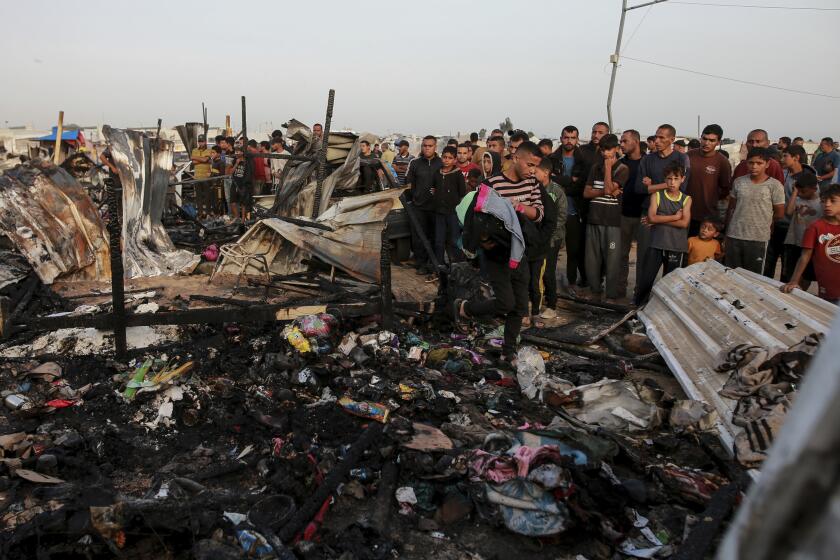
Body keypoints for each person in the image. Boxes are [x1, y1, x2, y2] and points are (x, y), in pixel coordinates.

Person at [454, 141, 544, 361]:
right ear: (515, 157)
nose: (532, 171)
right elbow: (476, 218)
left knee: (520, 306)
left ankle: (508, 351)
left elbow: (539, 213)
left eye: (535, 166)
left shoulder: (532, 183)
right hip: (497, 256)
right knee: (505, 303)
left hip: (520, 253)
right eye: (529, 164)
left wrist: (520, 208)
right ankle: (466, 308)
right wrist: (484, 241)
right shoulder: (492, 184)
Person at [634, 124, 690, 298]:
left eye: (662, 138)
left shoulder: (682, 159)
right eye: (656, 137)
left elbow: (682, 190)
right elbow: (639, 189)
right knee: (646, 259)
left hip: (673, 217)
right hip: (649, 216)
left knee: (671, 263)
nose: (657, 141)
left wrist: (653, 186)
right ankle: (640, 298)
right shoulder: (648, 160)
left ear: (672, 139)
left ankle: (666, 300)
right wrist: (661, 186)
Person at [724, 148, 786, 274]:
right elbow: (731, 208)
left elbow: (779, 213)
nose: (754, 166)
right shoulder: (739, 182)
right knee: (731, 274)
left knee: (753, 276)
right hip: (735, 235)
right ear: (746, 163)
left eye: (759, 163)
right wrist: (727, 232)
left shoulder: (775, 185)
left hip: (758, 238)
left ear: (767, 164)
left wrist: (767, 223)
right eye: (751, 163)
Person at [583, 134, 629, 302]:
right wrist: (605, 192)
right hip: (594, 218)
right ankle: (595, 291)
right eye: (602, 150)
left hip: (612, 221)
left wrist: (609, 169)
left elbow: (610, 188)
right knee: (592, 259)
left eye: (608, 149)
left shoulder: (622, 169)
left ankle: (611, 295)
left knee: (612, 260)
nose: (605, 153)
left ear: (616, 149)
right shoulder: (595, 168)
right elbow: (587, 192)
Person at [781, 184, 840, 304]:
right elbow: (805, 256)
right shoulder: (815, 228)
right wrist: (794, 281)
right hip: (829, 290)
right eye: (823, 201)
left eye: (833, 201)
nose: (827, 204)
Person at [549, 125, 588, 288]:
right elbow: (550, 181)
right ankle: (549, 284)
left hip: (574, 212)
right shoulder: (552, 159)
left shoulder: (583, 160)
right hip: (555, 212)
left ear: (577, 140)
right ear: (561, 138)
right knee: (551, 251)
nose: (569, 141)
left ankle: (571, 282)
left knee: (574, 251)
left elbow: (581, 186)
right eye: (566, 137)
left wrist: (563, 182)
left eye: (572, 138)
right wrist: (568, 181)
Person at [534, 157, 567, 316]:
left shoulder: (557, 191)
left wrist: (548, 233)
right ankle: (535, 301)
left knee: (548, 271)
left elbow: (561, 216)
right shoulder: (533, 188)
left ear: (546, 172)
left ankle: (551, 305)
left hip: (552, 238)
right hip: (537, 238)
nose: (533, 172)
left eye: (536, 170)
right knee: (536, 271)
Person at [686, 124, 732, 236]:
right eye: (704, 139)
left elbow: (725, 189)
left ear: (718, 142)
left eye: (712, 140)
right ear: (700, 138)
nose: (707, 143)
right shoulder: (688, 156)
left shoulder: (722, 162)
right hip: (684, 212)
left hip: (706, 217)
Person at [405, 136, 442, 274]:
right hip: (418, 207)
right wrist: (413, 199)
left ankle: (432, 265)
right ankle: (421, 264)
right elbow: (408, 184)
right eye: (425, 145)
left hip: (436, 208)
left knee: (434, 237)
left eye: (430, 146)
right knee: (419, 238)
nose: (427, 148)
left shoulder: (441, 163)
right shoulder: (415, 163)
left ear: (435, 147)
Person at [781, 172, 821, 286]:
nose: (801, 194)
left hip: (810, 245)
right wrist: (795, 193)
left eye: (804, 191)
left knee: (806, 274)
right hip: (794, 241)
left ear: (814, 189)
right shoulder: (798, 199)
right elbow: (788, 212)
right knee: (791, 272)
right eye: (800, 191)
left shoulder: (821, 203)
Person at [618, 130, 645, 298]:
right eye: (621, 141)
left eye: (625, 141)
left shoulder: (647, 163)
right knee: (620, 255)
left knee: (643, 257)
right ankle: (619, 290)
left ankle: (639, 292)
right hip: (623, 215)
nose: (621, 144)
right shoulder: (620, 164)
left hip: (643, 216)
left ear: (636, 142)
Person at [433, 146, 467, 267]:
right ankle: (439, 265)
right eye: (445, 157)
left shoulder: (457, 174)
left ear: (454, 160)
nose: (446, 160)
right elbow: (434, 188)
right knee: (439, 241)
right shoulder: (437, 172)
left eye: (450, 158)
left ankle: (457, 266)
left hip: (453, 213)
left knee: (454, 240)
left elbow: (462, 193)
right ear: (441, 157)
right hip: (439, 212)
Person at [191, 134, 213, 217]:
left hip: (206, 177)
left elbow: (206, 159)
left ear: (205, 142)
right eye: (199, 142)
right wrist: (203, 160)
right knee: (198, 197)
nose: (201, 143)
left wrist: (197, 158)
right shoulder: (194, 150)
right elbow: (193, 162)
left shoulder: (209, 150)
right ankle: (200, 213)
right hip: (197, 177)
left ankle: (207, 213)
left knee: (207, 197)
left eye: (202, 141)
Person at [230, 146, 253, 221]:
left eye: (238, 151)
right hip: (234, 183)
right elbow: (230, 172)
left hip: (243, 184)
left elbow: (249, 173)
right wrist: (236, 163)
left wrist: (246, 184)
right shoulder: (234, 161)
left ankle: (243, 219)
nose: (236, 153)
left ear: (242, 152)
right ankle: (237, 218)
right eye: (236, 151)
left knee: (243, 203)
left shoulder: (247, 162)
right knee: (233, 202)